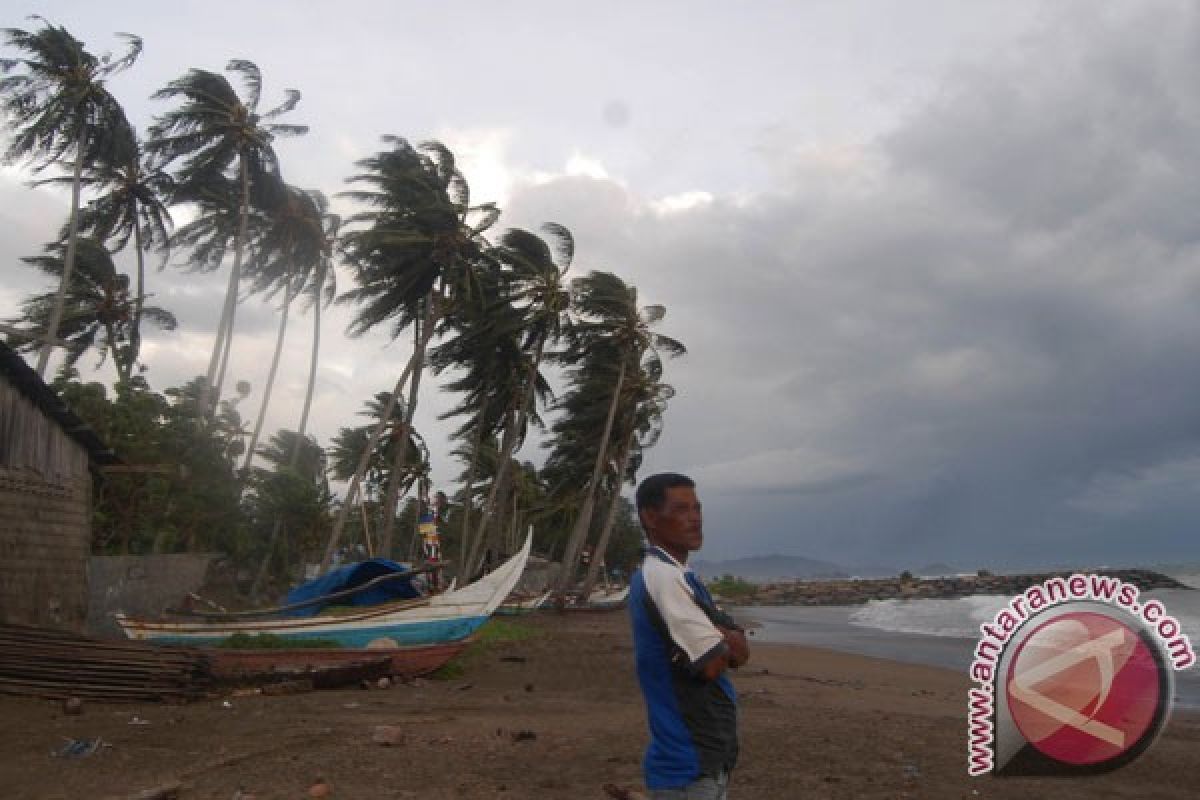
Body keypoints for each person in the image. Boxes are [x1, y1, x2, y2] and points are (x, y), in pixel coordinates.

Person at [629, 473, 749, 799]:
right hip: (687, 764)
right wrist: (724, 639)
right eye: (682, 510)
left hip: (707, 760)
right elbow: (712, 663)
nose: (695, 519)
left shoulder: (682, 576)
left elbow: (739, 648)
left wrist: (724, 637)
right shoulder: (663, 579)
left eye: (697, 509)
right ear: (650, 517)